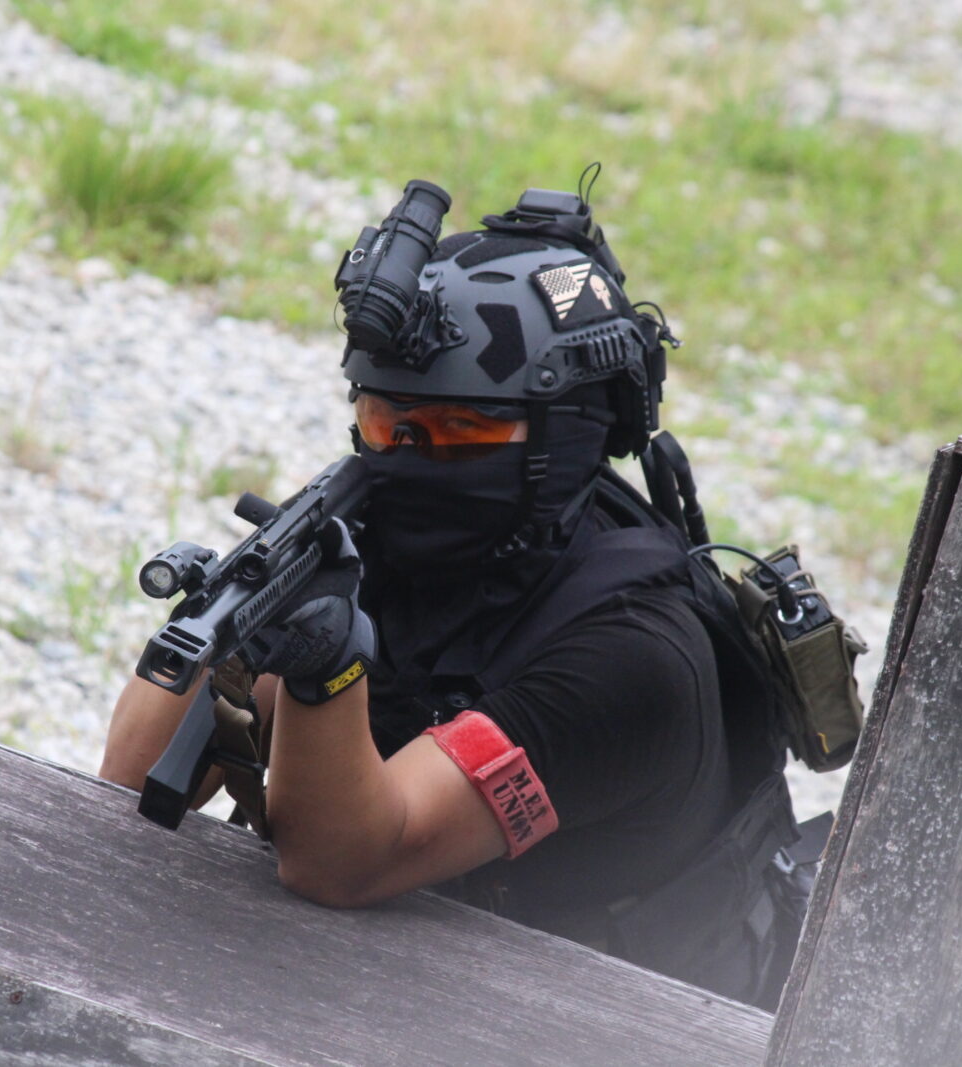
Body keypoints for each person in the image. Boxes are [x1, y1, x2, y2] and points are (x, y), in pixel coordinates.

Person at [100, 181, 807, 1010]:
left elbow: (343, 864)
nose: (407, 458)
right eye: (384, 423)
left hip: (609, 1026)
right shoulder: (388, 530)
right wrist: (233, 616)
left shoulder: (629, 656)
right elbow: (129, 789)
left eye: (460, 431)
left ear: (567, 432)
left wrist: (325, 665)